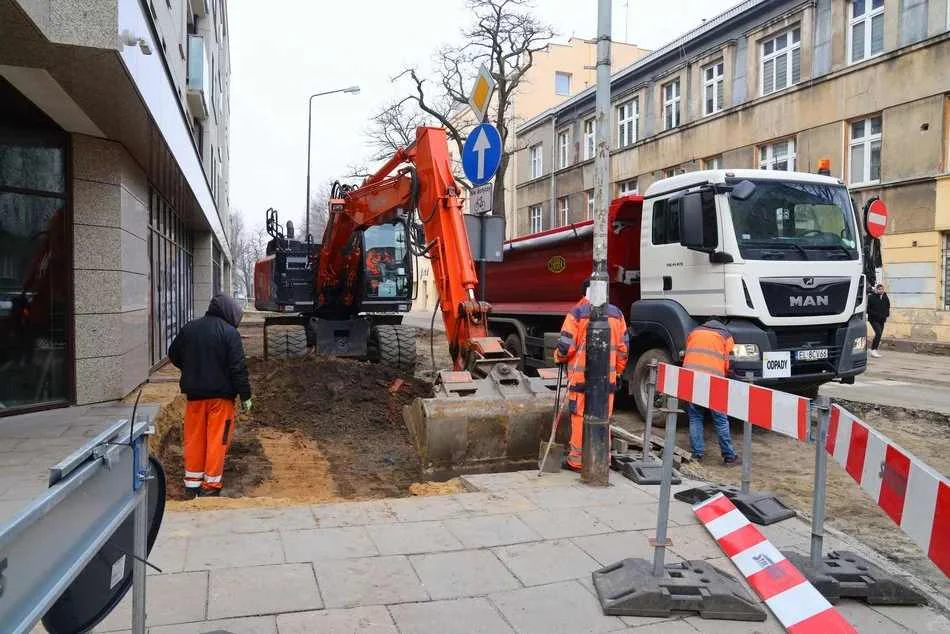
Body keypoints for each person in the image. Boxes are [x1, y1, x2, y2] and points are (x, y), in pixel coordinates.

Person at [168, 294, 252, 497]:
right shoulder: (229, 333)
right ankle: (211, 487)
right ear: (229, 313)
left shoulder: (190, 328)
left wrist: (191, 368)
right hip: (221, 400)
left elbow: (173, 354)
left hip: (195, 398)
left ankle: (192, 484)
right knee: (217, 440)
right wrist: (245, 395)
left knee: (194, 439)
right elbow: (238, 368)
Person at [554, 281, 629, 472]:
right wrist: (618, 371)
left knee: (579, 418)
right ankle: (602, 458)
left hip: (580, 381)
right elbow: (623, 349)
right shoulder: (617, 314)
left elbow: (565, 346)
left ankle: (577, 461)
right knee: (604, 418)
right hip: (607, 381)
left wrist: (558, 357)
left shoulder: (577, 313)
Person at [683, 319, 740, 466]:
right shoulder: (725, 335)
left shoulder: (694, 332)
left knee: (695, 417)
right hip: (714, 381)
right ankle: (729, 456)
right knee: (720, 419)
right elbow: (730, 362)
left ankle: (697, 454)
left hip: (693, 379)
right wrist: (728, 375)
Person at [867, 283, 890, 358]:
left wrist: (886, 314)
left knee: (879, 335)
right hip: (873, 319)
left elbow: (887, 307)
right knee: (878, 332)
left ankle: (872, 349)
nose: (881, 290)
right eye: (879, 289)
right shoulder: (871, 297)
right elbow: (868, 309)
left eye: (882, 289)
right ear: (876, 290)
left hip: (882, 319)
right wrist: (876, 314)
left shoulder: (885, 297)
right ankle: (874, 350)